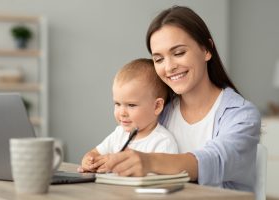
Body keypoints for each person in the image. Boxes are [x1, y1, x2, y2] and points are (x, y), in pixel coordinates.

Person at [93, 6, 261, 192]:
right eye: (159, 59)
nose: (169, 67)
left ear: (206, 49)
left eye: (179, 53)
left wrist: (149, 162)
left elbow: (215, 159)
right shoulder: (160, 111)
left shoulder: (242, 115)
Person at [79, 58, 178, 172]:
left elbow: (165, 179)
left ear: (157, 106)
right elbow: (95, 153)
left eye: (131, 105)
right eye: (117, 104)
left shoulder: (163, 142)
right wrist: (89, 161)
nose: (122, 113)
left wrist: (114, 165)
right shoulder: (119, 134)